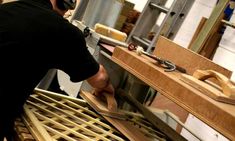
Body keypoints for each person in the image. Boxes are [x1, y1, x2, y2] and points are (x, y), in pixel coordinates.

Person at [0, 0, 117, 140]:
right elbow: (99, 78)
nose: (67, 12)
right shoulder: (63, 30)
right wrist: (108, 88)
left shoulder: (7, 9)